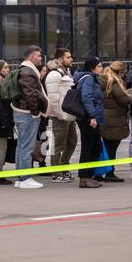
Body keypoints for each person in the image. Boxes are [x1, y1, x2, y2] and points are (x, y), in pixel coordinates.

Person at [11, 46, 49, 189]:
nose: (40, 58)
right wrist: (35, 112)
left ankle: (20, 178)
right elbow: (30, 94)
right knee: (27, 147)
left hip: (22, 112)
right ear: (32, 57)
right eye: (39, 56)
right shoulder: (28, 72)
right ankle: (25, 178)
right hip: (27, 114)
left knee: (21, 146)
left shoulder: (24, 70)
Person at [44, 48, 78, 183]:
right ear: (59, 59)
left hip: (69, 114)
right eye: (68, 57)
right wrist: (58, 114)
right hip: (59, 115)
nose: (71, 59)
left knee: (72, 142)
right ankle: (56, 172)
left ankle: (63, 166)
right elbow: (53, 98)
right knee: (58, 144)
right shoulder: (54, 74)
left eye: (71, 57)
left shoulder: (66, 72)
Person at [76, 56, 105, 189]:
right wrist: (92, 116)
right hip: (88, 119)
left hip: (91, 118)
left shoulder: (92, 78)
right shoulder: (88, 79)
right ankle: (85, 177)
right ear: (92, 68)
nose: (101, 68)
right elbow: (86, 97)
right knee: (89, 148)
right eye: (99, 66)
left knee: (95, 147)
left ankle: (87, 176)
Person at [99, 61, 130, 184]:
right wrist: (130, 95)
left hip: (105, 118)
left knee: (105, 147)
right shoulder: (115, 82)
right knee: (112, 148)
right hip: (114, 120)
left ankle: (100, 172)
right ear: (120, 72)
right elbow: (124, 99)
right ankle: (110, 173)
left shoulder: (103, 80)